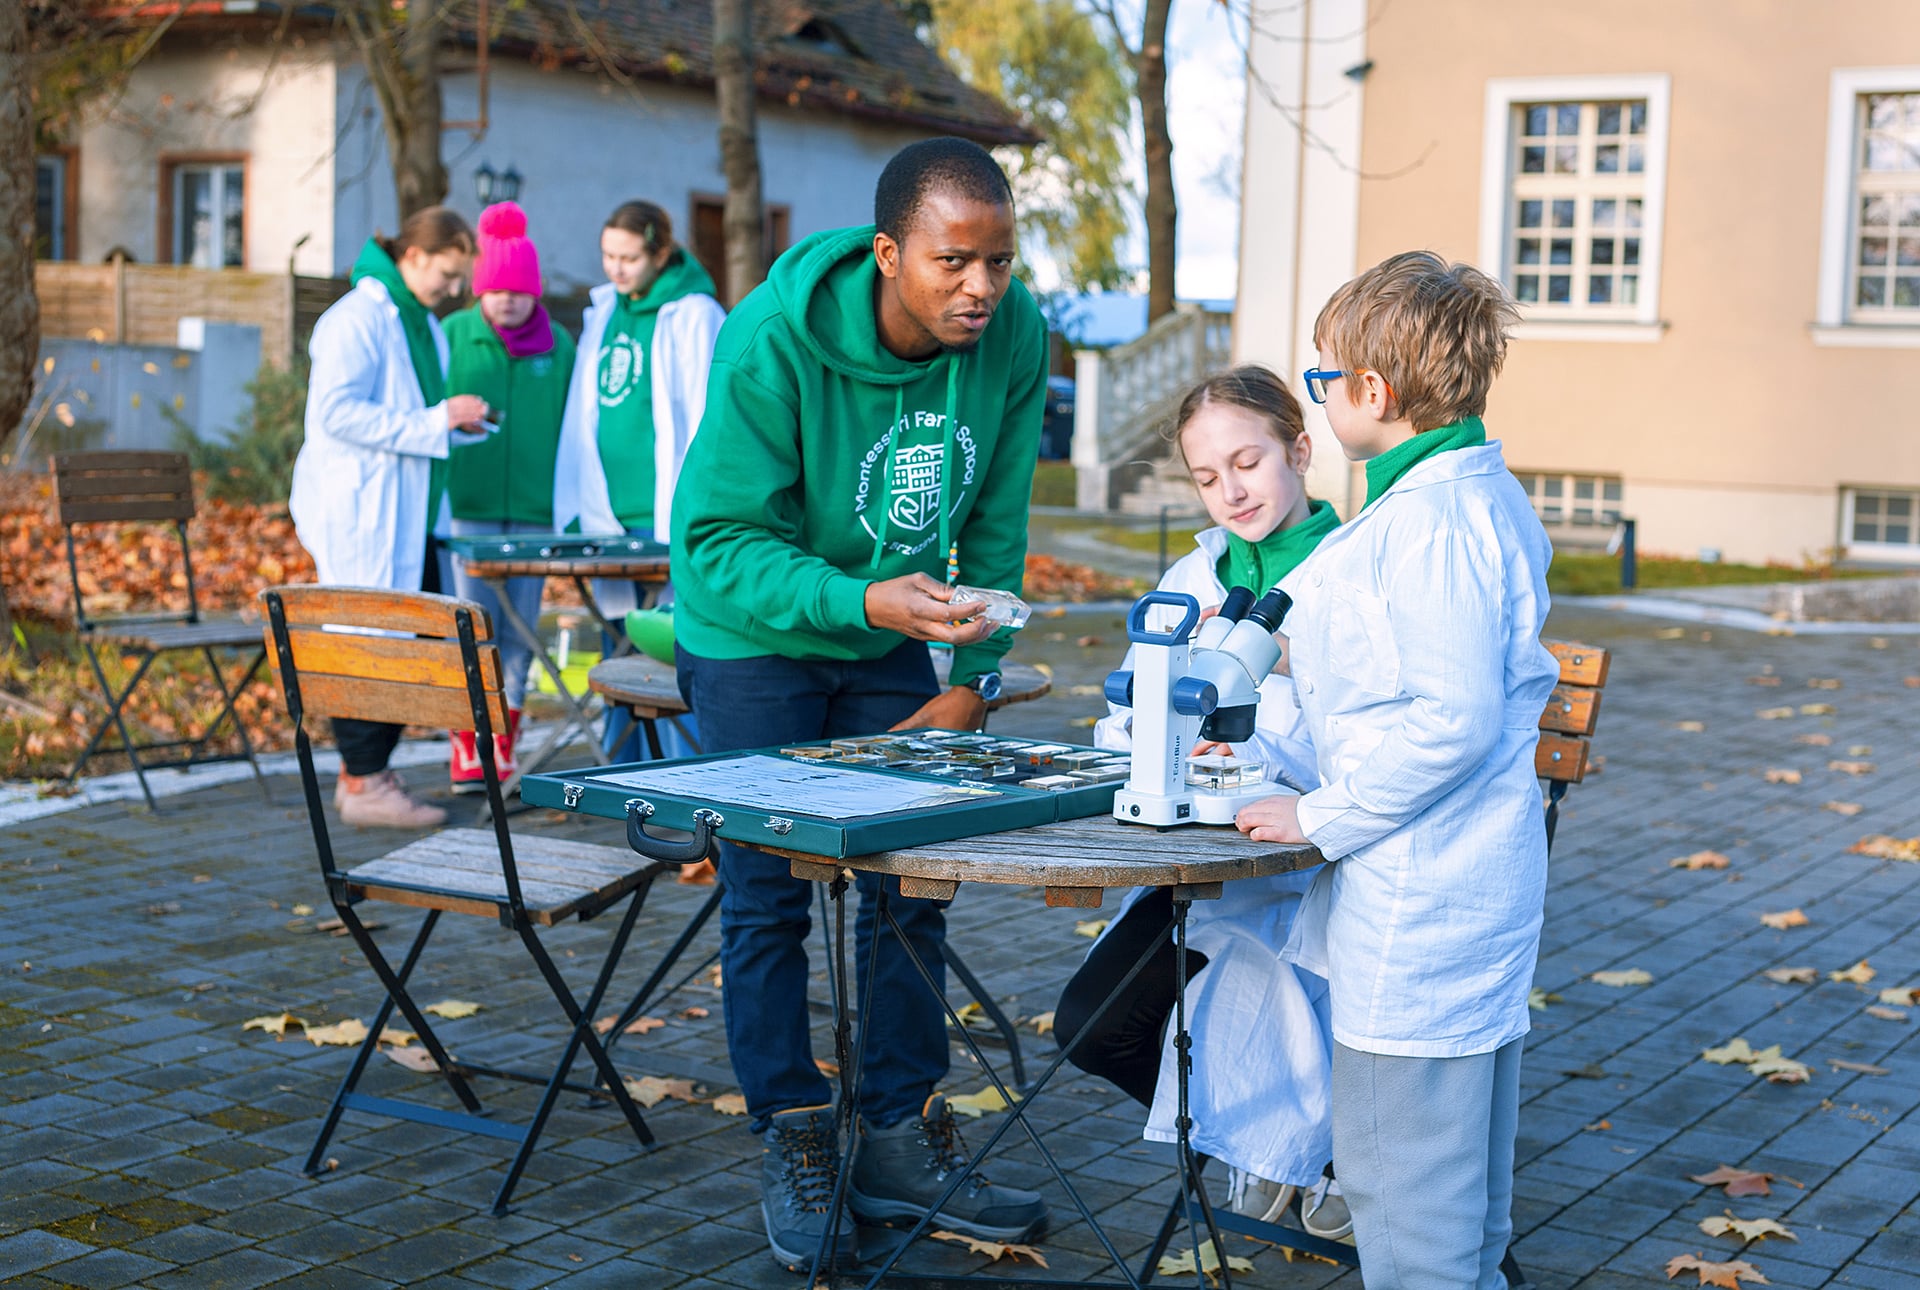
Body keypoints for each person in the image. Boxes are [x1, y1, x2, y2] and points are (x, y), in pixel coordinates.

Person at [670, 137, 1050, 1271]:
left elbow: (997, 528)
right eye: (954, 262)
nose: (981, 287)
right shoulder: (770, 342)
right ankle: (794, 1134)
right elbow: (712, 546)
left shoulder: (1014, 335)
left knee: (907, 889)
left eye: (999, 261)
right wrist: (864, 595)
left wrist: (975, 683)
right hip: (753, 635)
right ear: (890, 254)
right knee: (765, 890)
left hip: (890, 621)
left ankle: (895, 1136)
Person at [1235, 251, 1557, 1289]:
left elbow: (1451, 720)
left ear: (1372, 392)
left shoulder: (1429, 523)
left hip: (1423, 909)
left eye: (1322, 378)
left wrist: (1317, 816)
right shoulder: (1452, 498)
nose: (1319, 394)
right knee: (1457, 1195)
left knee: (1402, 1190)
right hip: (1456, 896)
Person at [1052, 365, 1348, 1238]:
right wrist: (1158, 739)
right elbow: (1126, 715)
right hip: (1203, 864)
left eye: (1247, 462)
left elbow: (1378, 741)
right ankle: (1262, 1143)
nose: (1231, 491)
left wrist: (1260, 750)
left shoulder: (1356, 575)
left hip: (1313, 869)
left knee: (1280, 991)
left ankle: (1331, 1156)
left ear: (1299, 450)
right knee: (1091, 1028)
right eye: (1207, 476)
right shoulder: (1197, 574)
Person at [289, 206, 489, 829]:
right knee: (368, 645)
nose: (456, 289)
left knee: (403, 643)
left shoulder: (416, 321)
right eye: (449, 274)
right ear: (414, 257)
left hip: (410, 512)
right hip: (364, 515)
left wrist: (454, 425)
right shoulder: (356, 318)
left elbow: (410, 413)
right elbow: (337, 413)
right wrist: (435, 421)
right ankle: (362, 778)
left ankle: (372, 774)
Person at [552, 200, 724, 761]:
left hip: (666, 508)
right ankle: (621, 766)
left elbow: (706, 410)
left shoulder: (694, 313)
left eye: (628, 257)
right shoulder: (603, 311)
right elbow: (586, 409)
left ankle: (678, 769)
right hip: (610, 509)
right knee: (617, 640)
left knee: (669, 644)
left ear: (660, 254)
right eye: (607, 256)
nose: (616, 269)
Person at [442, 202, 577, 791]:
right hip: (467, 509)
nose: (507, 301)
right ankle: (467, 745)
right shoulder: (450, 337)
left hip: (534, 513)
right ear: (479, 290)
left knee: (520, 630)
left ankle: (503, 744)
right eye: (496, 290)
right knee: (469, 626)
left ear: (535, 292)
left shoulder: (561, 346)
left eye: (518, 291)